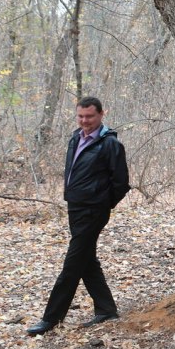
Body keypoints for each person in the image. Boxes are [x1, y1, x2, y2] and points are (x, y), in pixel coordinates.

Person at [27, 96, 131, 336]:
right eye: (81, 116)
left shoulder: (110, 144)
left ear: (102, 114)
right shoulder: (76, 138)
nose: (85, 121)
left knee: (72, 264)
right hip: (75, 207)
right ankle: (106, 309)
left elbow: (121, 183)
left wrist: (103, 203)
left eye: (90, 116)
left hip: (94, 210)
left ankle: (51, 318)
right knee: (87, 259)